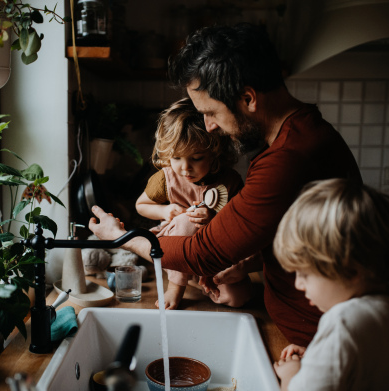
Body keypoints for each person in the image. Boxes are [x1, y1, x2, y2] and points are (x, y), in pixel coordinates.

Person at [89, 23, 361, 346]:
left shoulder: (288, 158)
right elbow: (300, 240)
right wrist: (254, 260)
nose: (210, 126)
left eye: (211, 112)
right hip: (306, 333)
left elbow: (201, 253)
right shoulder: (302, 136)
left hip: (317, 342)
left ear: (248, 98)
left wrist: (121, 236)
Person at [272, 178, 389, 391]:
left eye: (304, 273)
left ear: (351, 271)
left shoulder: (343, 322)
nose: (298, 284)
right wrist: (318, 355)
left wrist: (292, 374)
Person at [136, 97, 260, 309]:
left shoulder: (230, 180)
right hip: (176, 244)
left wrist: (214, 218)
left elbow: (239, 223)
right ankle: (176, 286)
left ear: (215, 153)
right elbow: (141, 205)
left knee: (238, 298)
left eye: (196, 158)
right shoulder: (165, 179)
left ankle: (197, 279)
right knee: (186, 221)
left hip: (213, 250)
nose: (185, 168)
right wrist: (164, 210)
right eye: (176, 158)